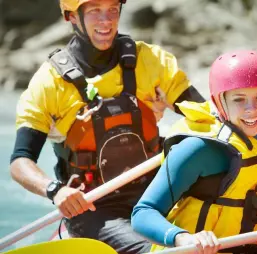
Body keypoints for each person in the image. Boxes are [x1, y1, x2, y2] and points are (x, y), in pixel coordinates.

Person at [9, 0, 205, 253]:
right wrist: (55, 190)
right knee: (154, 250)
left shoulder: (151, 61)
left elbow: (207, 117)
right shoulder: (49, 83)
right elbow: (20, 161)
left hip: (156, 194)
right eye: (94, 11)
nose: (107, 20)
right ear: (72, 17)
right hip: (94, 208)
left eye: (113, 9)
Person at [131, 49, 257, 253]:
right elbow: (143, 213)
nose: (252, 109)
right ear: (219, 101)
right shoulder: (198, 148)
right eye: (239, 99)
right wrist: (183, 238)